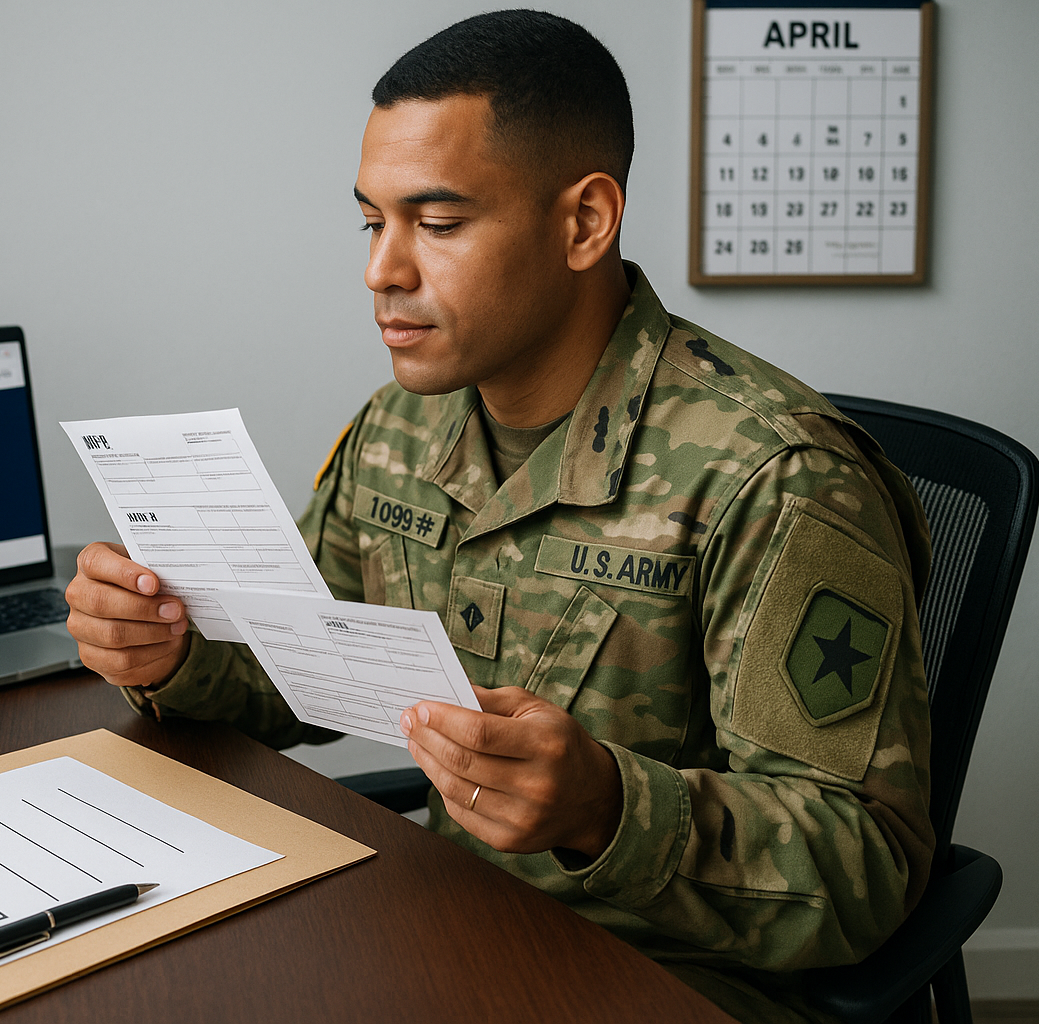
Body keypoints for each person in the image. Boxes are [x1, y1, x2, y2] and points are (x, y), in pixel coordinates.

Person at [64, 11, 935, 1023]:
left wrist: (606, 806)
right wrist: (165, 650)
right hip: (445, 924)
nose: (382, 270)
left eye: (436, 225)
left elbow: (865, 871)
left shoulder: (775, 474)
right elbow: (294, 669)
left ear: (584, 223)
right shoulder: (401, 425)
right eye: (371, 221)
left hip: (666, 977)